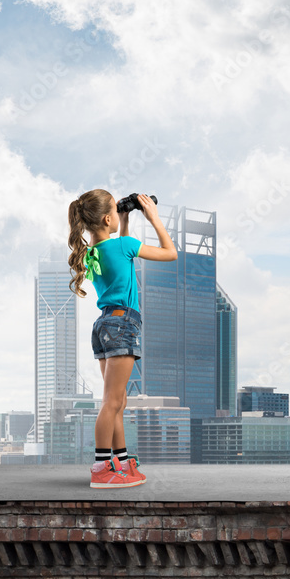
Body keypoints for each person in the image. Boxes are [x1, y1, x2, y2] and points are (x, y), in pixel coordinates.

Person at [67, 189, 177, 488]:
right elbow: (170, 253)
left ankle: (121, 462)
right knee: (112, 401)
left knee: (117, 401)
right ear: (106, 218)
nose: (118, 213)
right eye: (115, 211)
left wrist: (125, 218)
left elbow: (119, 258)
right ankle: (102, 468)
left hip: (104, 325)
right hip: (122, 324)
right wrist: (153, 218)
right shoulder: (125, 245)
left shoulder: (90, 254)